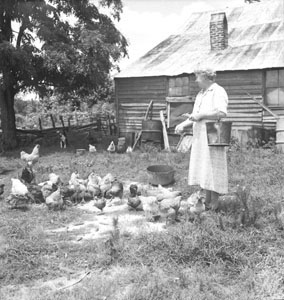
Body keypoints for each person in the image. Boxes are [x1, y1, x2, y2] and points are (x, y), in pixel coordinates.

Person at [175, 68, 229, 209]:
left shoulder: (218, 91)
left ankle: (215, 203)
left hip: (213, 134)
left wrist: (201, 115)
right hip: (200, 136)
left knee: (214, 167)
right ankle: (207, 201)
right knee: (205, 167)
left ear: (206, 77)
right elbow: (195, 115)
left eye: (198, 77)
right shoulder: (200, 94)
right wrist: (183, 125)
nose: (196, 80)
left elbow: (221, 112)